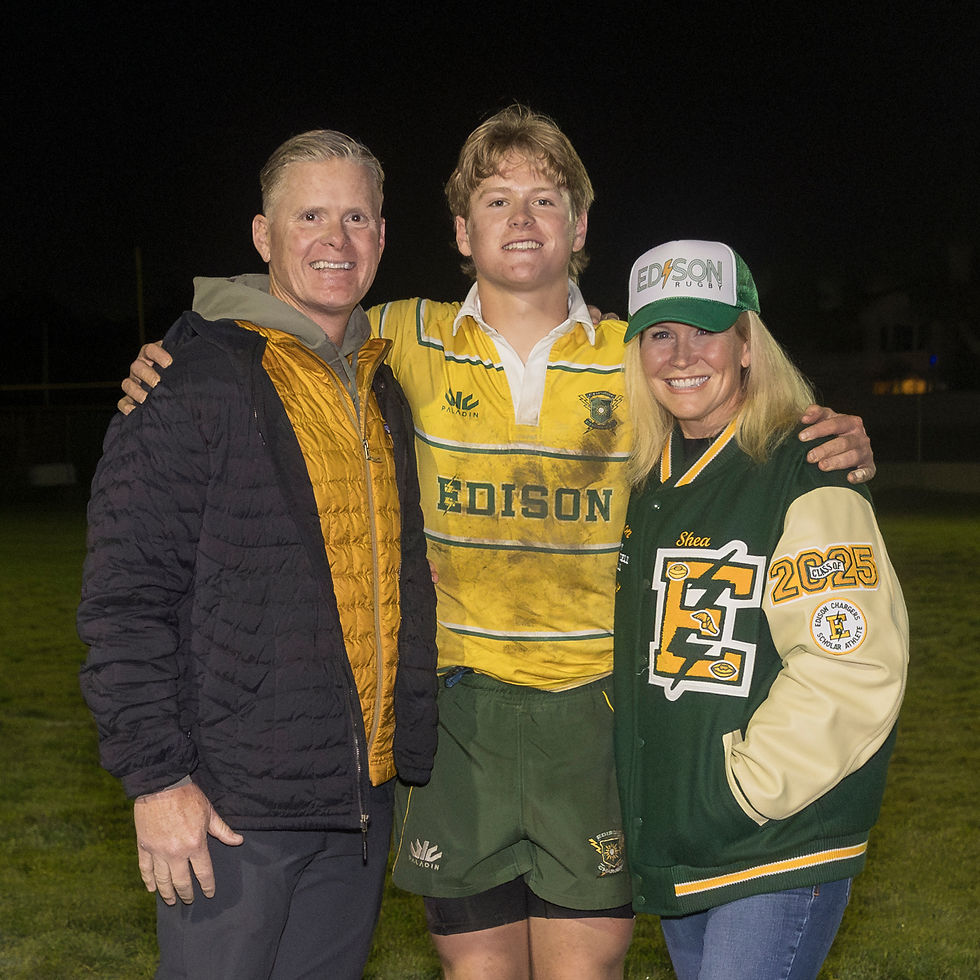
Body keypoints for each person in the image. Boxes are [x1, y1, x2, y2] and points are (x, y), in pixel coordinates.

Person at [118, 107, 876, 979]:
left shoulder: (636, 354)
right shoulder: (398, 335)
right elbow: (279, 334)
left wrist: (837, 438)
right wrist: (176, 352)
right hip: (458, 715)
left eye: (545, 199)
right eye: (496, 200)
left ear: (580, 225)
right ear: (459, 231)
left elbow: (743, 418)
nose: (521, 220)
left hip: (595, 713)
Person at [77, 130, 438, 980]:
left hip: (355, 803)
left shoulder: (380, 385)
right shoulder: (192, 381)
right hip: (230, 808)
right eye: (308, 215)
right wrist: (157, 781)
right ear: (261, 235)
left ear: (383, 238)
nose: (334, 239)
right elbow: (125, 602)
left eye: (356, 217)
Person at [613, 240, 908, 980]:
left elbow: (852, 666)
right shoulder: (648, 482)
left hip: (774, 842)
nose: (682, 353)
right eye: (660, 333)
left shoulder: (805, 467)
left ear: (747, 343)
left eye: (706, 329)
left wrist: (739, 791)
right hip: (686, 843)